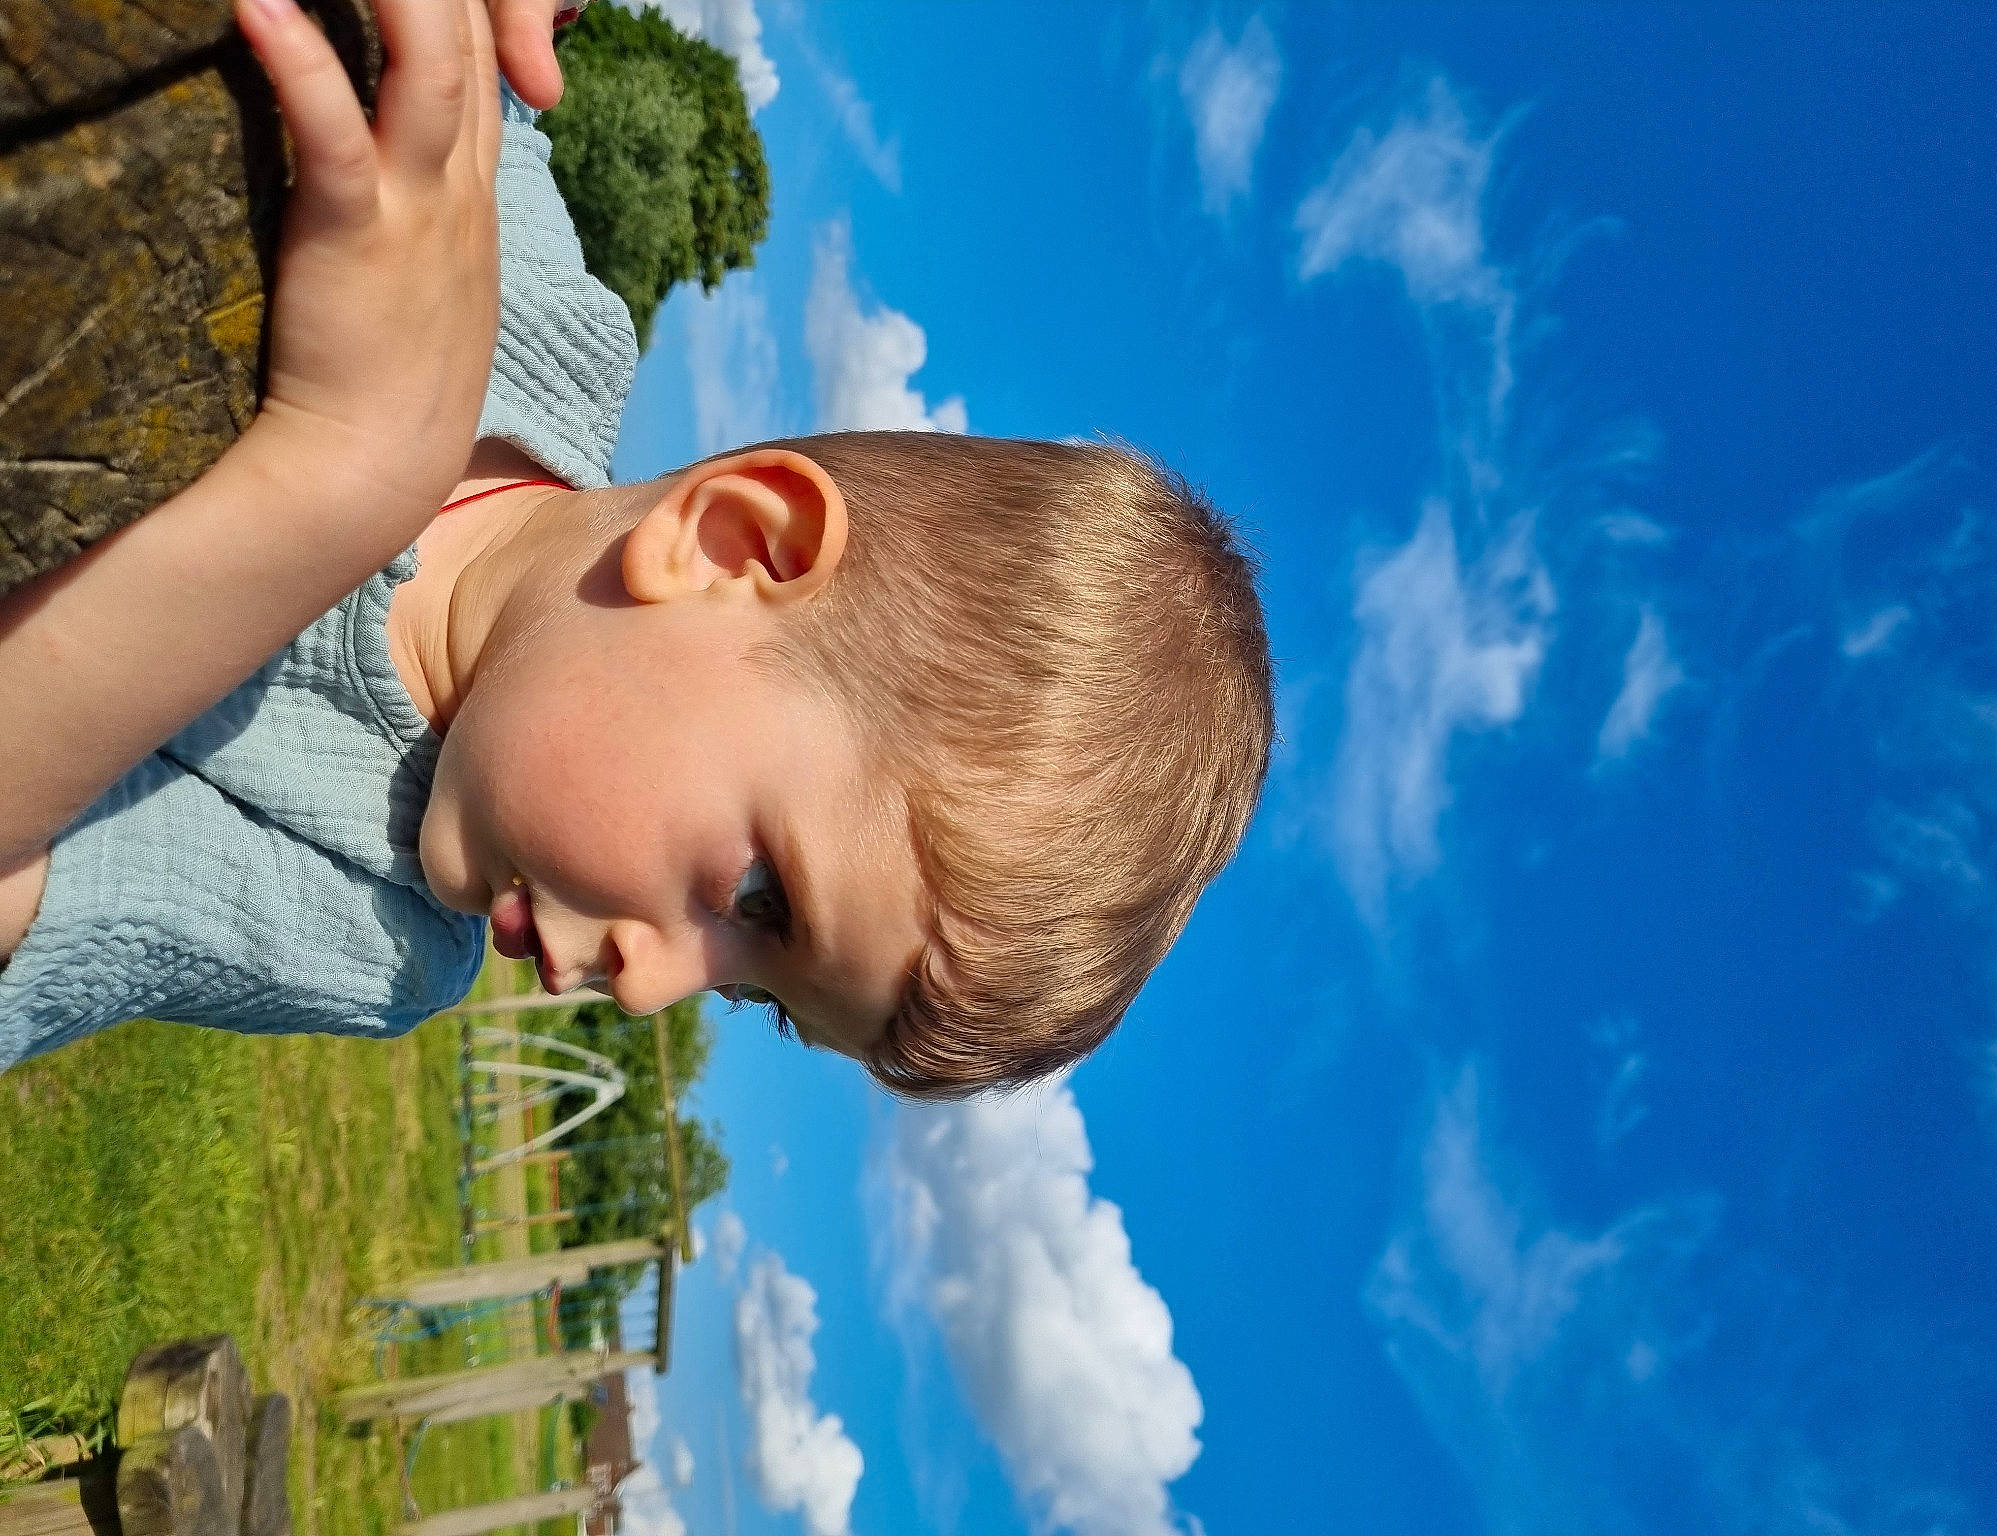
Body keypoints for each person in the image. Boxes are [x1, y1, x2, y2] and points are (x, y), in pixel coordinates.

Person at [0, 0, 1275, 1098]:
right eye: (763, 902)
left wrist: (328, 488)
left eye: (753, 993)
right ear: (730, 545)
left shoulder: (369, 931)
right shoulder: (544, 312)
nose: (652, 986)